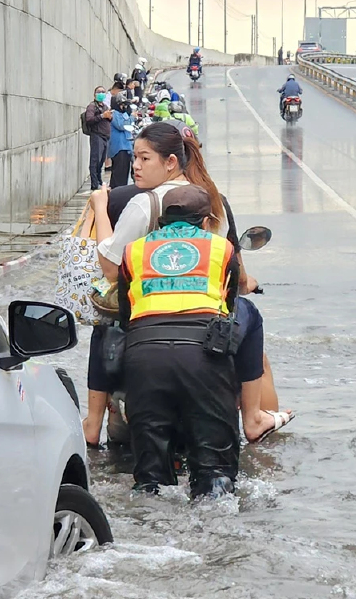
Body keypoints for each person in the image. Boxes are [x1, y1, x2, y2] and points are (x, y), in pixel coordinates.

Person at [85, 124, 284, 445]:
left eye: (143, 158)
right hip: (207, 329)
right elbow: (235, 273)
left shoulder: (136, 202)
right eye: (135, 158)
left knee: (104, 327)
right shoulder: (214, 202)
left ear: (170, 161)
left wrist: (98, 206)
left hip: (145, 327)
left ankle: (92, 424)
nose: (136, 166)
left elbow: (109, 269)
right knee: (254, 341)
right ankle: (256, 420)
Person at [117, 184, 245, 499]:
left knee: (150, 477)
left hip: (144, 354)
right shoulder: (222, 249)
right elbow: (229, 308)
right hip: (204, 354)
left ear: (161, 220)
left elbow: (125, 314)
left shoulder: (134, 251)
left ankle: (151, 514)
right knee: (216, 471)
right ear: (206, 221)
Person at [85, 87, 112, 190]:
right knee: (95, 160)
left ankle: (99, 180)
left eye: (103, 92)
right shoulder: (92, 106)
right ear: (94, 94)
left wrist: (109, 116)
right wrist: (102, 116)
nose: (101, 94)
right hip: (97, 135)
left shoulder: (105, 106)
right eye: (99, 92)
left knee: (101, 161)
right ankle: (94, 183)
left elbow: (109, 119)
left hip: (105, 137)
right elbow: (89, 119)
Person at [107, 96, 135, 188]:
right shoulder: (114, 113)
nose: (124, 107)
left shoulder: (122, 114)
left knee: (124, 172)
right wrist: (130, 116)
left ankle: (117, 191)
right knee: (119, 174)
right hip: (119, 147)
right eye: (122, 105)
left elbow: (130, 124)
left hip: (126, 146)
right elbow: (121, 125)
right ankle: (117, 191)